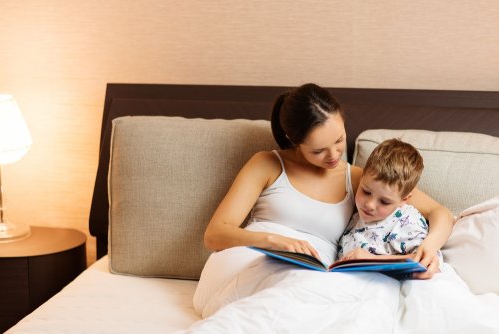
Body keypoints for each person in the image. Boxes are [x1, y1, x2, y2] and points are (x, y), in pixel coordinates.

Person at [188, 83, 456, 332]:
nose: (334, 155)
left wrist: (429, 248)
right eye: (318, 150)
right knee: (293, 296)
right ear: (295, 140)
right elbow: (214, 235)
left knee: (364, 301)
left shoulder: (361, 181)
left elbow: (439, 213)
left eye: (339, 140)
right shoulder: (267, 164)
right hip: (252, 258)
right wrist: (272, 241)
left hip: (317, 274)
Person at [337, 138, 443, 268]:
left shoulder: (407, 220)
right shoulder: (354, 219)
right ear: (361, 177)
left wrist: (371, 259)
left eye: (384, 201)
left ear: (403, 199)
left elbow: (428, 260)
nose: (369, 204)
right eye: (366, 191)